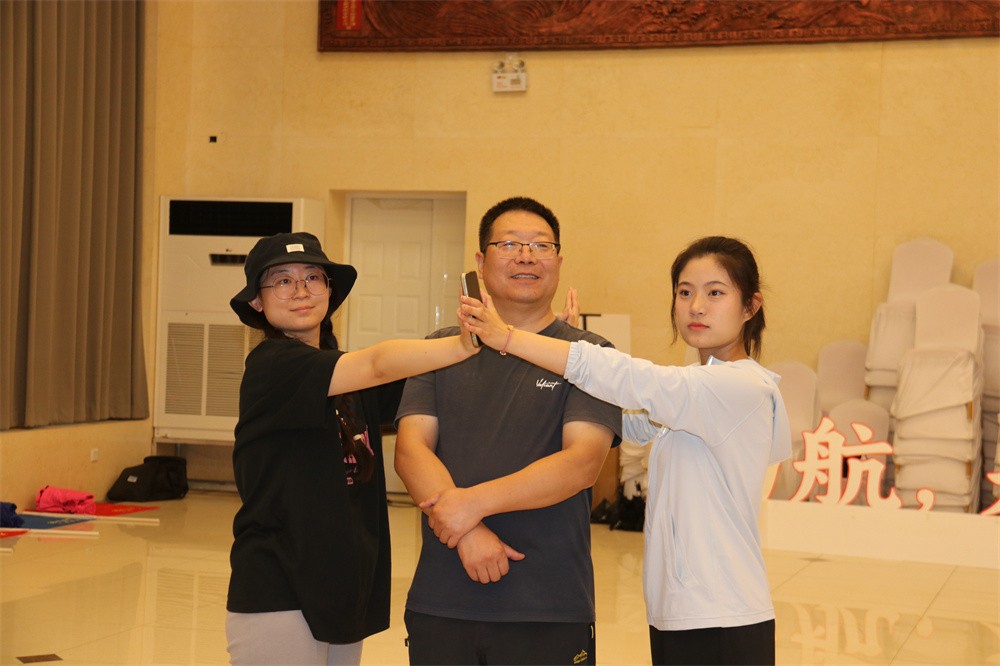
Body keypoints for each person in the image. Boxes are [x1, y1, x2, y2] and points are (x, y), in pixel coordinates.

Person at [458, 235, 792, 666]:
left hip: (723, 616)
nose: (696, 307)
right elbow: (622, 418)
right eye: (684, 292)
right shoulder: (693, 393)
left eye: (715, 293)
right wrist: (560, 359)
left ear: (750, 306)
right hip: (682, 612)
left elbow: (631, 378)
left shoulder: (739, 387)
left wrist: (509, 337)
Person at [225, 231, 479, 665]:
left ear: (329, 291)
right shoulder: (272, 365)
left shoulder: (346, 380)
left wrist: (529, 336)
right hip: (280, 587)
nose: (301, 290)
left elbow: (430, 388)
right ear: (257, 302)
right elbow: (379, 363)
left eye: (313, 277)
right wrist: (463, 343)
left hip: (343, 586)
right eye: (282, 281)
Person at [393, 197, 621, 665]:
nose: (526, 256)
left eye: (541, 245)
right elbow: (411, 451)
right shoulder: (440, 348)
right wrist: (468, 532)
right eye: (510, 244)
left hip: (548, 604)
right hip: (443, 598)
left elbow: (581, 463)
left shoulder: (589, 355)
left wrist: (472, 505)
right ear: (480, 261)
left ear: (558, 262)